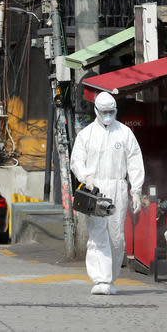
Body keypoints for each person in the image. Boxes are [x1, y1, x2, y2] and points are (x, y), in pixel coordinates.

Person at [70, 92, 144, 295]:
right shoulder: (86, 134)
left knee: (116, 236)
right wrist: (86, 176)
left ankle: (111, 278)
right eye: (104, 112)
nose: (108, 115)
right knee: (97, 234)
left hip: (118, 187)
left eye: (112, 111)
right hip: (95, 190)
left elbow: (135, 161)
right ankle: (100, 279)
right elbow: (76, 160)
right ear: (96, 111)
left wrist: (135, 190)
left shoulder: (125, 133)